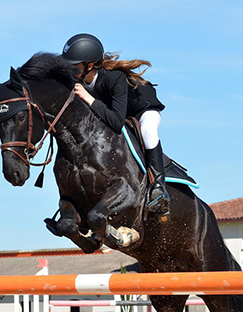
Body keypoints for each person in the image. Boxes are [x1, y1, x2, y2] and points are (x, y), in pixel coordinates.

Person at [61, 33, 169, 213]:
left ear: (89, 65)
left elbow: (116, 122)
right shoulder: (82, 81)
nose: (70, 71)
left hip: (142, 110)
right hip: (117, 111)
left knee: (148, 131)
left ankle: (159, 188)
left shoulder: (114, 77)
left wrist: (87, 97)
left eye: (74, 67)